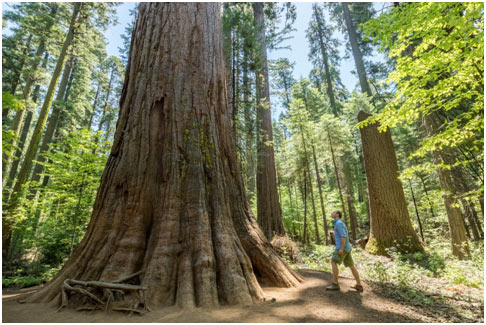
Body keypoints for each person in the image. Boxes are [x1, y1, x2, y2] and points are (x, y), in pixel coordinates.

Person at [326, 210, 363, 291]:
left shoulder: (339, 223)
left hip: (342, 247)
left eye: (333, 212)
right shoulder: (338, 223)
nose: (331, 213)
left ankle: (335, 284)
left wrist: (341, 248)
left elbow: (343, 236)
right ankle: (359, 285)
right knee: (351, 266)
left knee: (333, 262)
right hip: (347, 247)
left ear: (337, 215)